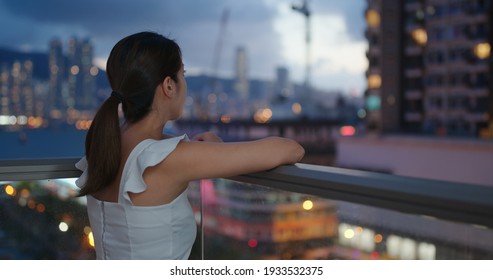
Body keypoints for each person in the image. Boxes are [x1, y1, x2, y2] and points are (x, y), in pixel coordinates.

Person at [75, 31, 305, 260]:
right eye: (182, 75)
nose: (185, 84)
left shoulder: (104, 145)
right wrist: (212, 147)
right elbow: (290, 149)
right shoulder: (167, 158)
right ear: (169, 86)